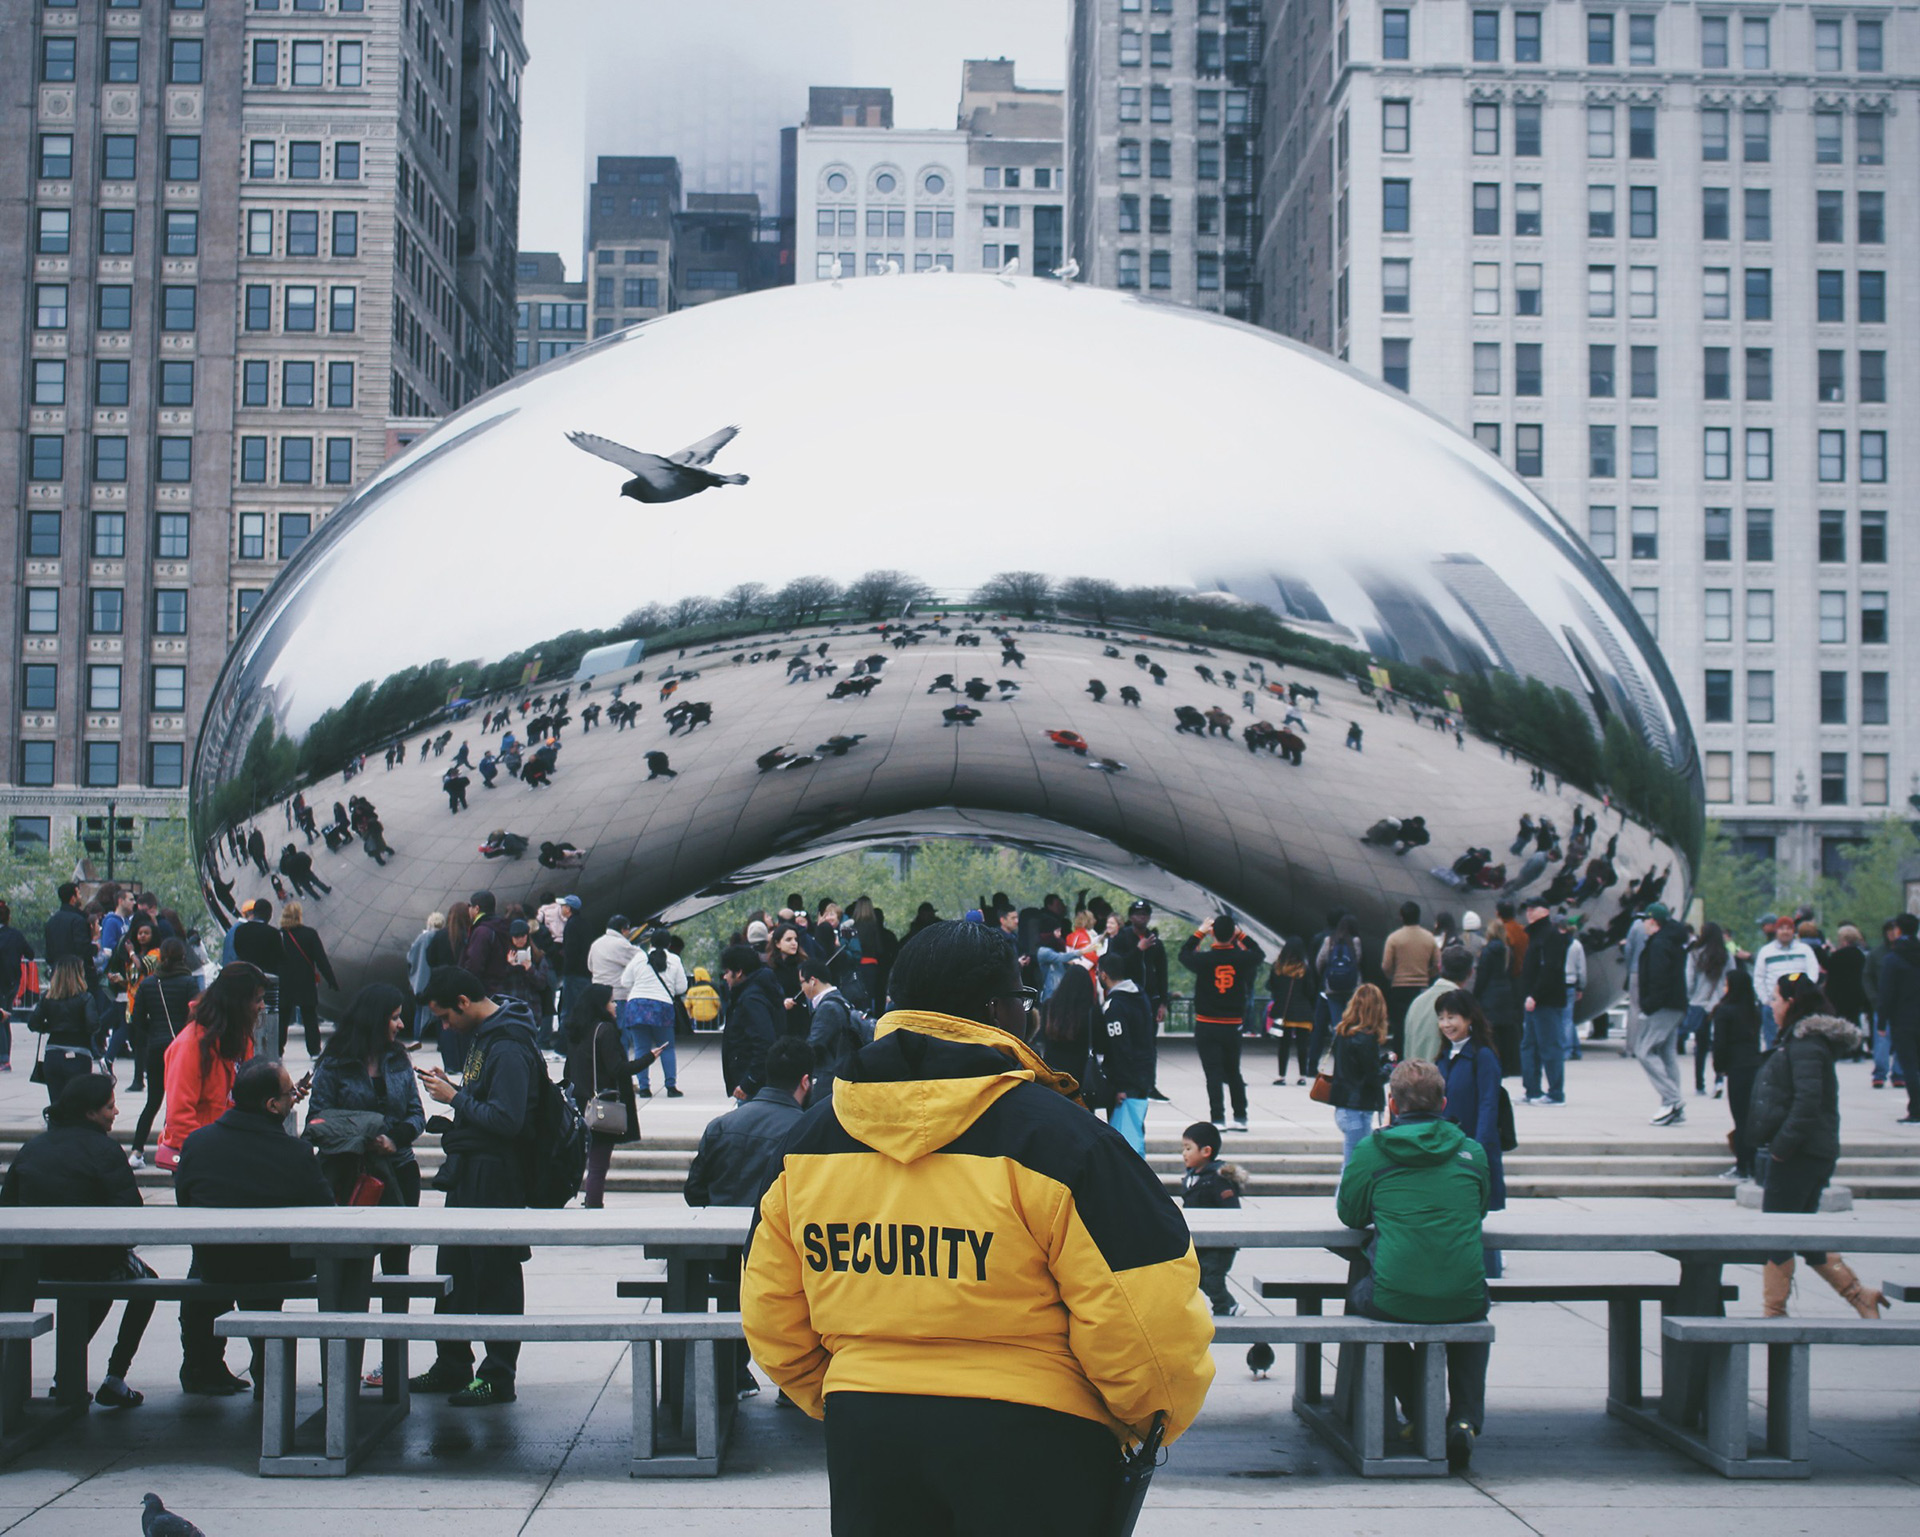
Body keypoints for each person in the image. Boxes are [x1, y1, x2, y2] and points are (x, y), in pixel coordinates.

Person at [740, 919, 1214, 1535]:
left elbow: (770, 1310)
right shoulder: (1068, 1144)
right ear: (997, 1011)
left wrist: (845, 1391)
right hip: (1040, 1440)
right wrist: (1141, 1420)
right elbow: (1151, 1323)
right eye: (1024, 1000)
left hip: (868, 1436)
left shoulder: (808, 1144)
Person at [1337, 1059, 1492, 1474]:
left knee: (1362, 1307)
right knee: (1469, 1302)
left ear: (1391, 1102)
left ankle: (1420, 1409)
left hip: (1395, 1294)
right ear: (1444, 1102)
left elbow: (1350, 1214)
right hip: (1464, 1295)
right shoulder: (1471, 1151)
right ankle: (1463, 1418)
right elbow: (1479, 1210)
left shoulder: (1374, 1150)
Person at [410, 967, 543, 1406]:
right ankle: (451, 1362)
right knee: (454, 1269)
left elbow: (508, 1120)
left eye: (446, 1017)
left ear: (464, 1002)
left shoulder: (506, 1045)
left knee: (495, 1272)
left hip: (495, 1173)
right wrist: (456, 1090)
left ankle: (497, 1373)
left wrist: (455, 1099)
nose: (445, 1026)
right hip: (470, 1169)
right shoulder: (486, 1036)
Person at [174, 1058, 332, 1394]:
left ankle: (200, 1364)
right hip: (279, 1268)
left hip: (214, 1263)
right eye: (290, 1093)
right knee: (261, 1265)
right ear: (273, 1106)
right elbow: (326, 1213)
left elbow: (184, 1199)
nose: (296, 1097)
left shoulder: (198, 1143)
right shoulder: (296, 1154)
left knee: (205, 1264)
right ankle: (266, 1369)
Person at [0, 1074, 153, 1407]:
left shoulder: (33, 1148)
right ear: (90, 1113)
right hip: (93, 1261)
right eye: (110, 1107)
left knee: (94, 1281)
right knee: (146, 1283)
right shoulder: (106, 1150)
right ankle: (115, 1376)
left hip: (36, 1263)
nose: (115, 1113)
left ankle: (66, 1376)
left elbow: (7, 1205)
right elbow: (131, 1216)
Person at [1750, 977, 1883, 1318]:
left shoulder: (1806, 1044)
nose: (1772, 1005)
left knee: (1778, 1233)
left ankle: (1773, 1311)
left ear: (1792, 1002)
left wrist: (1781, 1147)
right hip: (1810, 1151)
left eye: (1777, 998)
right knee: (1804, 1234)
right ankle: (1859, 1295)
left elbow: (1808, 1103)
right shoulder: (1804, 1041)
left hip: (1800, 1154)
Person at [308, 983, 425, 1218]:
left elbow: (416, 1114)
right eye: (394, 1018)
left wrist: (393, 1139)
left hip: (400, 1166)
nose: (401, 1025)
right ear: (375, 1019)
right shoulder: (335, 1063)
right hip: (349, 1171)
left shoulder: (398, 1059)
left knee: (399, 1246)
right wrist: (364, 1137)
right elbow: (317, 1120)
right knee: (355, 1250)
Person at [685, 1037, 812, 1207]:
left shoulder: (720, 1126)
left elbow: (694, 1190)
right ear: (805, 1082)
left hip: (722, 1224)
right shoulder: (806, 1132)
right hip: (772, 1229)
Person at [160, 964, 265, 1164]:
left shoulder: (242, 1039)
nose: (262, 1007)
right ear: (238, 1002)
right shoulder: (190, 1045)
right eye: (257, 1000)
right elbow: (179, 1116)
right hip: (203, 1157)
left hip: (231, 1150)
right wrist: (210, 1155)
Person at [1434, 989, 1507, 1277]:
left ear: (1468, 1018)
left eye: (1452, 1017)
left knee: (1476, 1212)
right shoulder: (1443, 1056)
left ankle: (1489, 1276)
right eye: (1441, 1018)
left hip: (1473, 1146)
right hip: (1445, 1146)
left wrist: (1479, 1146)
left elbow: (1489, 1103)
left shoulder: (1482, 1056)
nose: (1446, 1024)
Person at [1177, 917, 1264, 1132]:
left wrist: (1200, 933)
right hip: (1232, 1024)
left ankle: (1218, 1118)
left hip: (1207, 1024)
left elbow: (1184, 954)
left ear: (1213, 933)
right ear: (1233, 934)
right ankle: (1241, 1116)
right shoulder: (1242, 958)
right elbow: (1259, 953)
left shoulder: (1204, 960)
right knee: (1233, 1071)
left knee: (1213, 1073)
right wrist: (1241, 935)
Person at [562, 984, 642, 1209]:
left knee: (588, 1157)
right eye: (611, 1001)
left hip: (581, 1101)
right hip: (602, 1103)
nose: (615, 1005)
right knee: (599, 1162)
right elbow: (617, 1068)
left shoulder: (576, 1031)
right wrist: (647, 1060)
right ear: (600, 1005)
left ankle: (588, 1199)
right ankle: (594, 1202)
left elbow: (569, 1070)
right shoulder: (604, 1031)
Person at [127, 940, 200, 1168]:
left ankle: (137, 1152)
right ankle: (174, 1147)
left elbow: (136, 1018)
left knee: (153, 1101)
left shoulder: (148, 984)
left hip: (157, 1046)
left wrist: (154, 1033)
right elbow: (198, 1014)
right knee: (179, 1101)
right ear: (183, 957)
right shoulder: (189, 983)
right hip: (183, 1049)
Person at [1633, 903, 1689, 1125]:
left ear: (1653, 921)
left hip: (1663, 1006)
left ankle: (1673, 1100)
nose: (1643, 925)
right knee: (1666, 1054)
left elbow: (1658, 977)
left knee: (1644, 1050)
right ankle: (1674, 1106)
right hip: (1674, 1004)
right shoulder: (1671, 941)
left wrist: (1649, 1004)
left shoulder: (1659, 944)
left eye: (1645, 920)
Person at [1095, 949, 1155, 1154]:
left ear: (1103, 974)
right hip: (1144, 1073)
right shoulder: (1140, 996)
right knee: (1135, 1128)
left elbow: (1120, 1047)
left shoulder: (1114, 1006)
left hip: (1126, 1080)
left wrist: (1121, 1084)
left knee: (1124, 1136)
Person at [1180, 1121, 1243, 1316]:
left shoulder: (1218, 1179)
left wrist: (1228, 1235)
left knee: (1213, 1276)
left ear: (1206, 1151)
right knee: (1197, 1275)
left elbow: (1231, 1209)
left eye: (1188, 1148)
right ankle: (1228, 1305)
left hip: (1219, 1242)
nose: (1184, 1153)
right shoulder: (1192, 1177)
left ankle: (1225, 1307)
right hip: (1200, 1240)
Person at [617, 929, 687, 1098]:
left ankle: (644, 1088)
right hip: (662, 1007)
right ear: (669, 944)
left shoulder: (639, 958)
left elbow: (625, 981)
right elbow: (681, 987)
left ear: (650, 942)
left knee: (641, 1048)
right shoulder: (674, 960)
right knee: (667, 1048)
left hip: (637, 1006)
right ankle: (671, 1086)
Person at [1709, 969, 1764, 1180]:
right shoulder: (1753, 1011)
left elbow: (1720, 1043)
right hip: (1753, 1064)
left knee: (1740, 1117)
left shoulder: (1725, 1011)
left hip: (1736, 1066)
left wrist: (1719, 1067)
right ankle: (1752, 1163)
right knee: (1750, 1116)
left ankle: (1743, 1166)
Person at [1329, 983, 1390, 1164]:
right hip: (1359, 1107)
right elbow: (1373, 1077)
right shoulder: (1367, 1039)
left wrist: (1381, 1060)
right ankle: (1345, 1194)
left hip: (1344, 1104)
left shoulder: (1342, 1032)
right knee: (1354, 1164)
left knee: (1353, 1163)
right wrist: (1389, 1069)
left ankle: (1345, 1193)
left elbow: (1356, 1068)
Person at [1518, 900, 1571, 1106]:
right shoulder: (1535, 935)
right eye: (1528, 908)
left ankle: (1556, 1093)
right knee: (1529, 1045)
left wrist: (1536, 995)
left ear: (1546, 911)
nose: (1529, 912)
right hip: (1533, 1000)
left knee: (1550, 1046)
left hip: (1544, 1001)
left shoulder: (1551, 935)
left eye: (1534, 909)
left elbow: (1550, 968)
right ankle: (1532, 1090)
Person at [28, 956, 97, 1107]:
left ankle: (54, 1129)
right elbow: (93, 1025)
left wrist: (50, 1026)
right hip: (78, 1053)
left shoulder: (47, 998)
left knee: (56, 1104)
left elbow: (33, 1024)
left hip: (53, 1054)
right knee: (79, 1105)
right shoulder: (86, 998)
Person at [719, 942, 783, 1103]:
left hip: (752, 1086)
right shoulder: (754, 993)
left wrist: (749, 1082)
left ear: (739, 972)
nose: (725, 977)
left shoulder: (751, 1000)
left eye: (727, 972)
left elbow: (764, 1042)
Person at [277, 900, 338, 1058]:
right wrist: (331, 979)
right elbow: (321, 960)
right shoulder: (309, 934)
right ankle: (314, 1051)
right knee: (310, 1017)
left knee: (282, 1018)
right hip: (305, 981)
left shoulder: (280, 935)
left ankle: (278, 1049)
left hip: (285, 982)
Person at [798, 956, 863, 1103]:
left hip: (827, 1081)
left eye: (802, 983)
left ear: (813, 981)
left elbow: (814, 1045)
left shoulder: (827, 1008)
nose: (802, 989)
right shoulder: (840, 1000)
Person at [1380, 901, 1441, 1054]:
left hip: (1399, 987)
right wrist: (1427, 975)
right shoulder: (1429, 938)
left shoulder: (1394, 938)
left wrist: (1393, 977)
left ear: (1401, 917)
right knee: (1420, 1024)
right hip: (1421, 987)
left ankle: (1401, 1058)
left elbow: (1386, 966)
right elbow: (1437, 964)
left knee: (1400, 1026)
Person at [1752, 915, 1823, 1045]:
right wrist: (1765, 999)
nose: (1785, 932)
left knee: (1799, 1037)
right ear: (1776, 931)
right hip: (1774, 1003)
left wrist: (1806, 992)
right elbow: (1759, 977)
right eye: (1781, 928)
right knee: (1773, 1040)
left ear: (1793, 931)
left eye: (1788, 928)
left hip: (1799, 1002)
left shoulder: (1804, 950)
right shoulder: (1766, 951)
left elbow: (1813, 971)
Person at [1403, 946, 1475, 1065]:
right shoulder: (1464, 1005)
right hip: (1445, 1079)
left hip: (1415, 1076)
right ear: (1470, 972)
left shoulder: (1417, 1003)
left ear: (1440, 967)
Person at [1881, 912, 1920, 1124]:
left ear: (1898, 930)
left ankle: (1916, 1109)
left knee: (1910, 1065)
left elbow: (1887, 992)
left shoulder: (1894, 959)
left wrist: (1881, 1020)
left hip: (1903, 1019)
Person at [1684, 922, 1731, 1097]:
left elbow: (1689, 981)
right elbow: (1731, 977)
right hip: (1720, 1003)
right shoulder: (1725, 955)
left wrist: (1689, 998)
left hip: (1699, 1003)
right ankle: (1719, 1079)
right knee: (1720, 1043)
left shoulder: (1694, 955)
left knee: (1700, 1045)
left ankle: (1699, 1084)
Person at [1471, 919, 1522, 1076]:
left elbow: (1483, 975)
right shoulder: (1507, 951)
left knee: (1492, 1034)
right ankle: (1510, 1065)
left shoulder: (1487, 951)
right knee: (1506, 1032)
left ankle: (1496, 1064)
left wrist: (1476, 995)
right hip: (1505, 993)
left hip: (1490, 995)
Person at [1266, 939, 1318, 1084]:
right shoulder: (1304, 969)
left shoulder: (1277, 968)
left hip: (1284, 1011)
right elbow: (1310, 991)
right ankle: (1302, 1076)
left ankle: (1281, 1075)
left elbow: (1271, 987)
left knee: (1284, 1045)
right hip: (1303, 1012)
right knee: (1302, 1046)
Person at [0, 900, 33, 1073]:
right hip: (12, 982)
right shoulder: (16, 935)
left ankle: (3, 1058)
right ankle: (5, 1056)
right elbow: (30, 954)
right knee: (5, 1018)